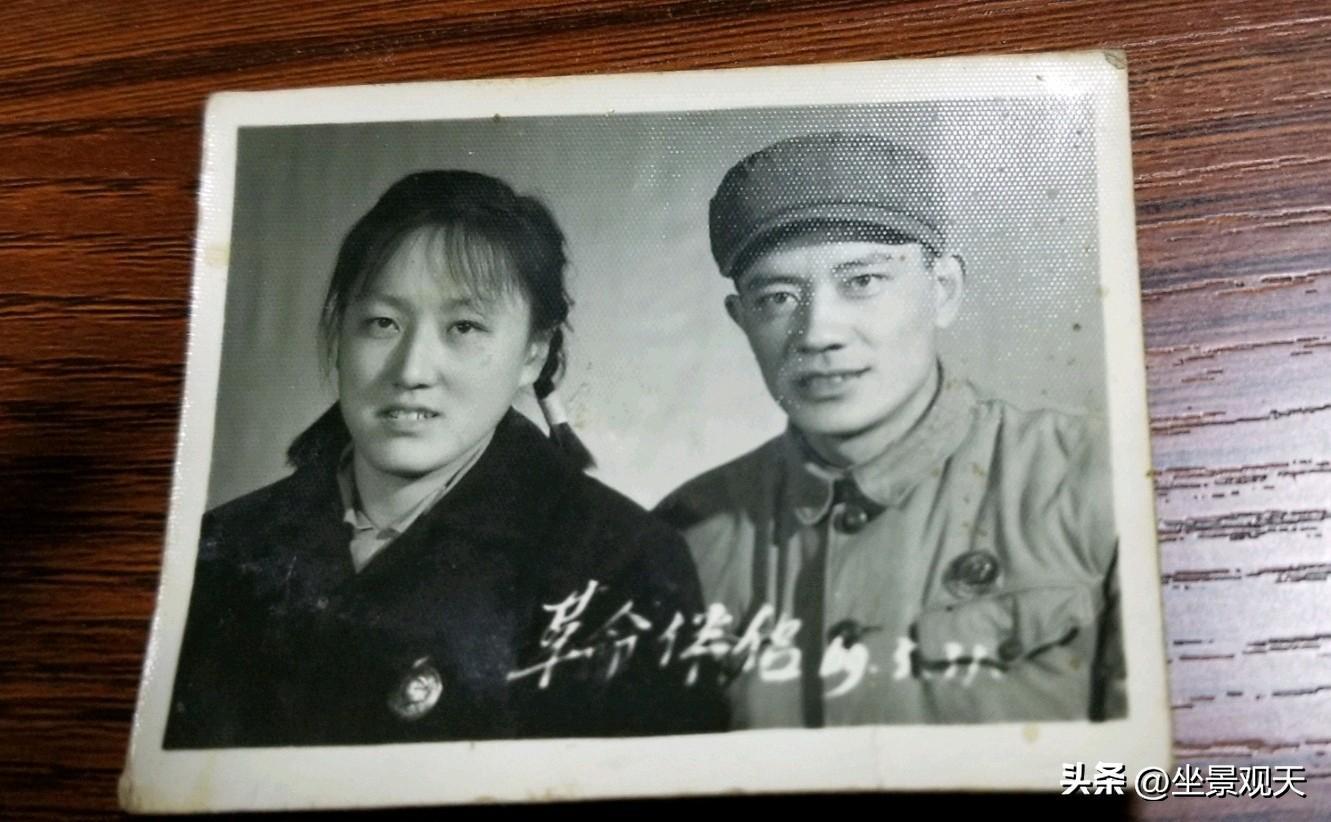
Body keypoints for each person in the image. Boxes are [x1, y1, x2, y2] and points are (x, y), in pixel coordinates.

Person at [165, 170, 724, 748]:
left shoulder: (622, 565)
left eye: (464, 327)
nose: (411, 370)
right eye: (382, 323)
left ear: (533, 353)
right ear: (338, 333)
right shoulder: (226, 546)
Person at [655, 133, 1126, 728]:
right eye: (777, 297)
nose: (818, 332)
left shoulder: (1096, 479)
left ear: (943, 291)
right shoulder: (683, 535)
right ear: (741, 318)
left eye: (862, 282)